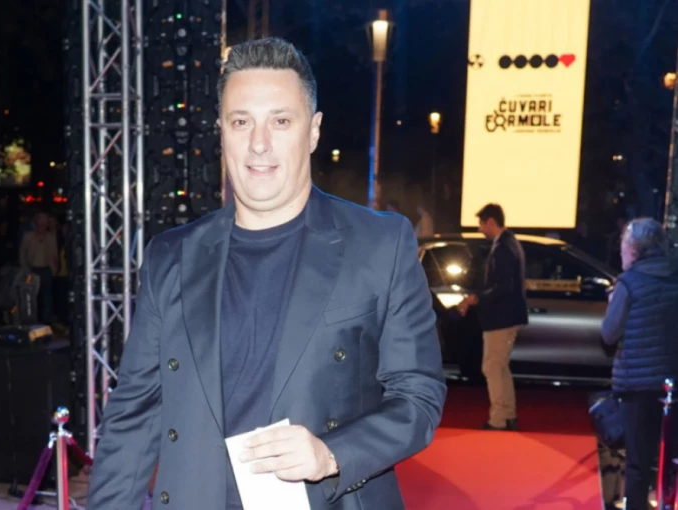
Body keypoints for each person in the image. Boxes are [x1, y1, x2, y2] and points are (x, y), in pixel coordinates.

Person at [87, 37, 446, 510]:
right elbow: (131, 419)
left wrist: (331, 454)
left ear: (313, 132)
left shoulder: (380, 244)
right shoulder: (170, 257)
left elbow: (418, 396)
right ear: (222, 132)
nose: (259, 143)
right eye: (241, 122)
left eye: (280, 121)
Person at [602, 218, 678, 510]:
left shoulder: (629, 284)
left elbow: (609, 334)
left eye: (623, 245)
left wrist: (612, 303)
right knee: (670, 456)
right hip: (671, 381)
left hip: (637, 385)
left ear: (634, 249)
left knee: (638, 461)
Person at [458, 203, 527, 431]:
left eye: (481, 224)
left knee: (492, 367)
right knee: (500, 366)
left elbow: (502, 286)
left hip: (501, 318)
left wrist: (476, 299)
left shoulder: (503, 248)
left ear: (490, 222)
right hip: (507, 316)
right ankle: (508, 415)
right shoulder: (509, 243)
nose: (480, 229)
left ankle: (498, 419)